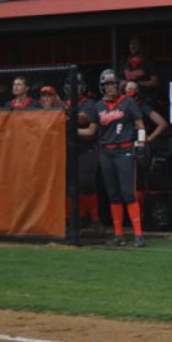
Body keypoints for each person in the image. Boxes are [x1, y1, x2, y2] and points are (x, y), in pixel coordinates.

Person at [78, 69, 147, 247]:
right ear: (102, 87)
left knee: (128, 193)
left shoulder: (128, 102)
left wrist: (140, 145)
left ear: (118, 85)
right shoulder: (98, 106)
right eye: (107, 84)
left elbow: (140, 125)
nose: (111, 87)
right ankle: (118, 235)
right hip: (105, 152)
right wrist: (71, 130)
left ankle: (138, 235)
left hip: (124, 151)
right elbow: (92, 131)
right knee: (113, 194)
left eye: (114, 84)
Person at [63, 72, 104, 233]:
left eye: (78, 84)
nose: (74, 87)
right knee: (67, 185)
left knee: (86, 183)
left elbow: (83, 120)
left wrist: (65, 112)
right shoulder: (61, 102)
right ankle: (71, 220)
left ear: (83, 86)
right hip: (65, 148)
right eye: (71, 84)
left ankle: (94, 219)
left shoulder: (89, 103)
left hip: (85, 147)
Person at [124, 80, 168, 213]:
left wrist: (148, 138)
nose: (130, 91)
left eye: (133, 88)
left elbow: (162, 123)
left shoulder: (142, 106)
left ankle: (140, 215)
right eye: (128, 89)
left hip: (139, 146)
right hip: (122, 147)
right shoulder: (120, 107)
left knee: (139, 182)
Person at [121, 35, 159, 104]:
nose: (132, 46)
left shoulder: (148, 61)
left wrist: (139, 83)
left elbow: (155, 82)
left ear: (141, 46)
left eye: (135, 43)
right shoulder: (125, 62)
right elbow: (120, 81)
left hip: (145, 98)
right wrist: (128, 84)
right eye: (131, 44)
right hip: (128, 99)